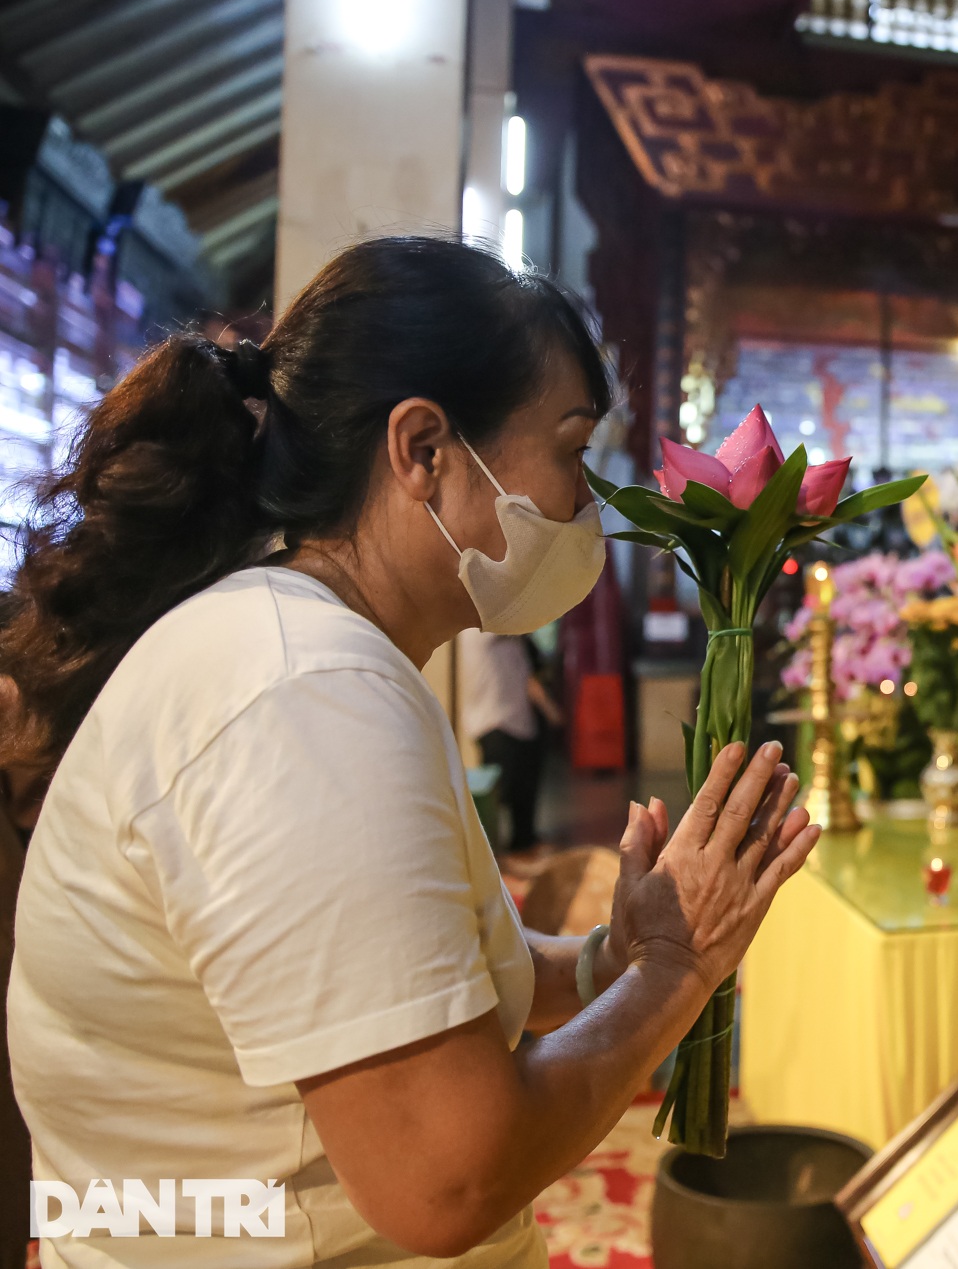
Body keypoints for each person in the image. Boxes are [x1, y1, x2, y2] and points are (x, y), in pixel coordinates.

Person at [1, 236, 820, 1267]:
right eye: (571, 453)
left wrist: (616, 954)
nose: (587, 507)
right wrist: (677, 969)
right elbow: (447, 1179)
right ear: (424, 449)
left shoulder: (305, 654)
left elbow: (429, 980)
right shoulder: (302, 696)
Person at [457, 628, 562, 852]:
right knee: (501, 793)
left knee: (524, 788)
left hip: (519, 720)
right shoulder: (480, 629)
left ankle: (523, 841)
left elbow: (526, 678)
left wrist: (548, 708)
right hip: (494, 721)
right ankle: (494, 854)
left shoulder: (515, 642)